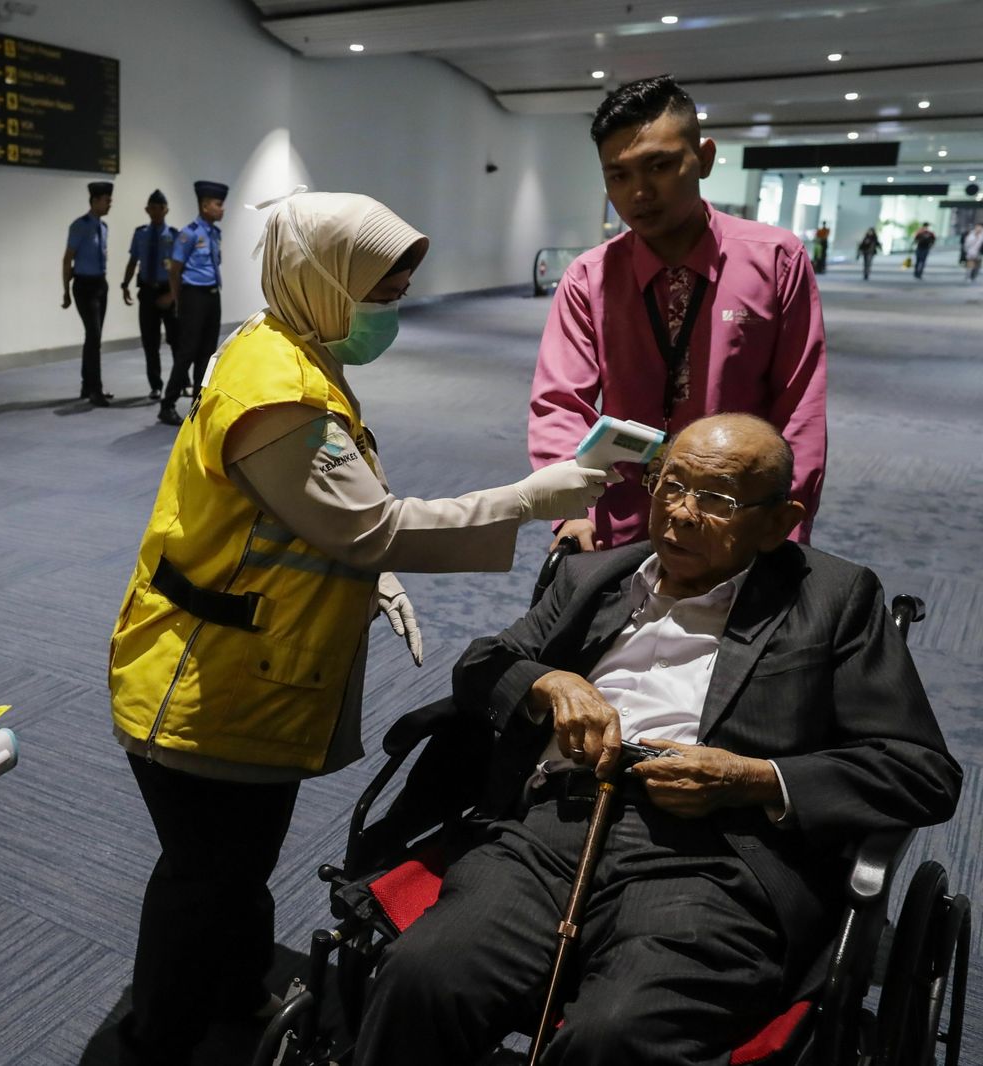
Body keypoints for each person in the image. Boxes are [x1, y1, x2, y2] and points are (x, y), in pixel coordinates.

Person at [108, 190, 613, 1066]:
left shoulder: (284, 345)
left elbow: (312, 515)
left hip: (248, 661)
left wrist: (362, 569)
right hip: (203, 684)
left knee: (233, 863)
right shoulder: (277, 392)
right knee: (204, 874)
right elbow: (368, 521)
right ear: (322, 279)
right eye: (380, 292)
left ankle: (228, 988)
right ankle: (160, 1036)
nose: (391, 311)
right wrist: (528, 500)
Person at [353, 414, 960, 1066]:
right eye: (669, 485)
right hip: (550, 831)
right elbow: (481, 666)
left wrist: (751, 778)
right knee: (423, 979)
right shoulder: (597, 578)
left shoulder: (835, 600)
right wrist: (548, 682)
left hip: (713, 859)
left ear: (777, 520)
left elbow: (920, 770)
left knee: (615, 1037)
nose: (681, 513)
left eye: (716, 499)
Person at [529, 75, 827, 552]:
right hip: (621, 516)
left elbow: (799, 409)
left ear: (704, 158)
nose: (638, 192)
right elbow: (561, 406)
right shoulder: (589, 278)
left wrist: (784, 525)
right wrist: (569, 510)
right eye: (618, 175)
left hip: (735, 517)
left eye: (659, 166)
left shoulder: (775, 260)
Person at [157, 180, 228, 426]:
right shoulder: (188, 234)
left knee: (208, 354)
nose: (223, 209)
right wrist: (178, 300)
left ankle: (197, 405)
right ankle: (167, 405)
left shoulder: (215, 233)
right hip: (193, 296)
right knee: (187, 352)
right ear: (206, 205)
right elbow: (174, 270)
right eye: (219, 204)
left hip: (211, 295)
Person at [120, 189, 180, 400]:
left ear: (166, 210)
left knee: (176, 340)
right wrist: (125, 284)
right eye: (151, 208)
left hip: (167, 290)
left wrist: (173, 296)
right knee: (150, 341)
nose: (155, 212)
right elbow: (133, 261)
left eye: (159, 208)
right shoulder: (140, 234)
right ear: (147, 210)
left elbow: (179, 270)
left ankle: (180, 381)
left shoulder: (174, 236)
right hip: (146, 292)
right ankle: (155, 385)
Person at [63, 180, 114, 405]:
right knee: (93, 337)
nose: (109, 204)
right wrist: (65, 291)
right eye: (106, 201)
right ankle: (96, 390)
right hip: (84, 286)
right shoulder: (79, 226)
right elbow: (67, 259)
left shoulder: (104, 227)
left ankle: (87, 385)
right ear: (94, 201)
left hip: (100, 285)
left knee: (94, 338)